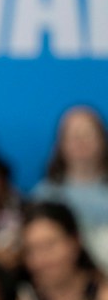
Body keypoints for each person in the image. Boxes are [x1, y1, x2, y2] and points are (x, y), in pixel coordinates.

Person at [8, 202, 108, 300]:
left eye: (49, 246)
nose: (40, 260)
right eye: (31, 250)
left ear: (75, 242)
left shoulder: (103, 296)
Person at [31, 106, 108, 273]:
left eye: (88, 133)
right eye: (73, 135)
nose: (81, 140)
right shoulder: (45, 194)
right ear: (60, 144)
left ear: (103, 139)